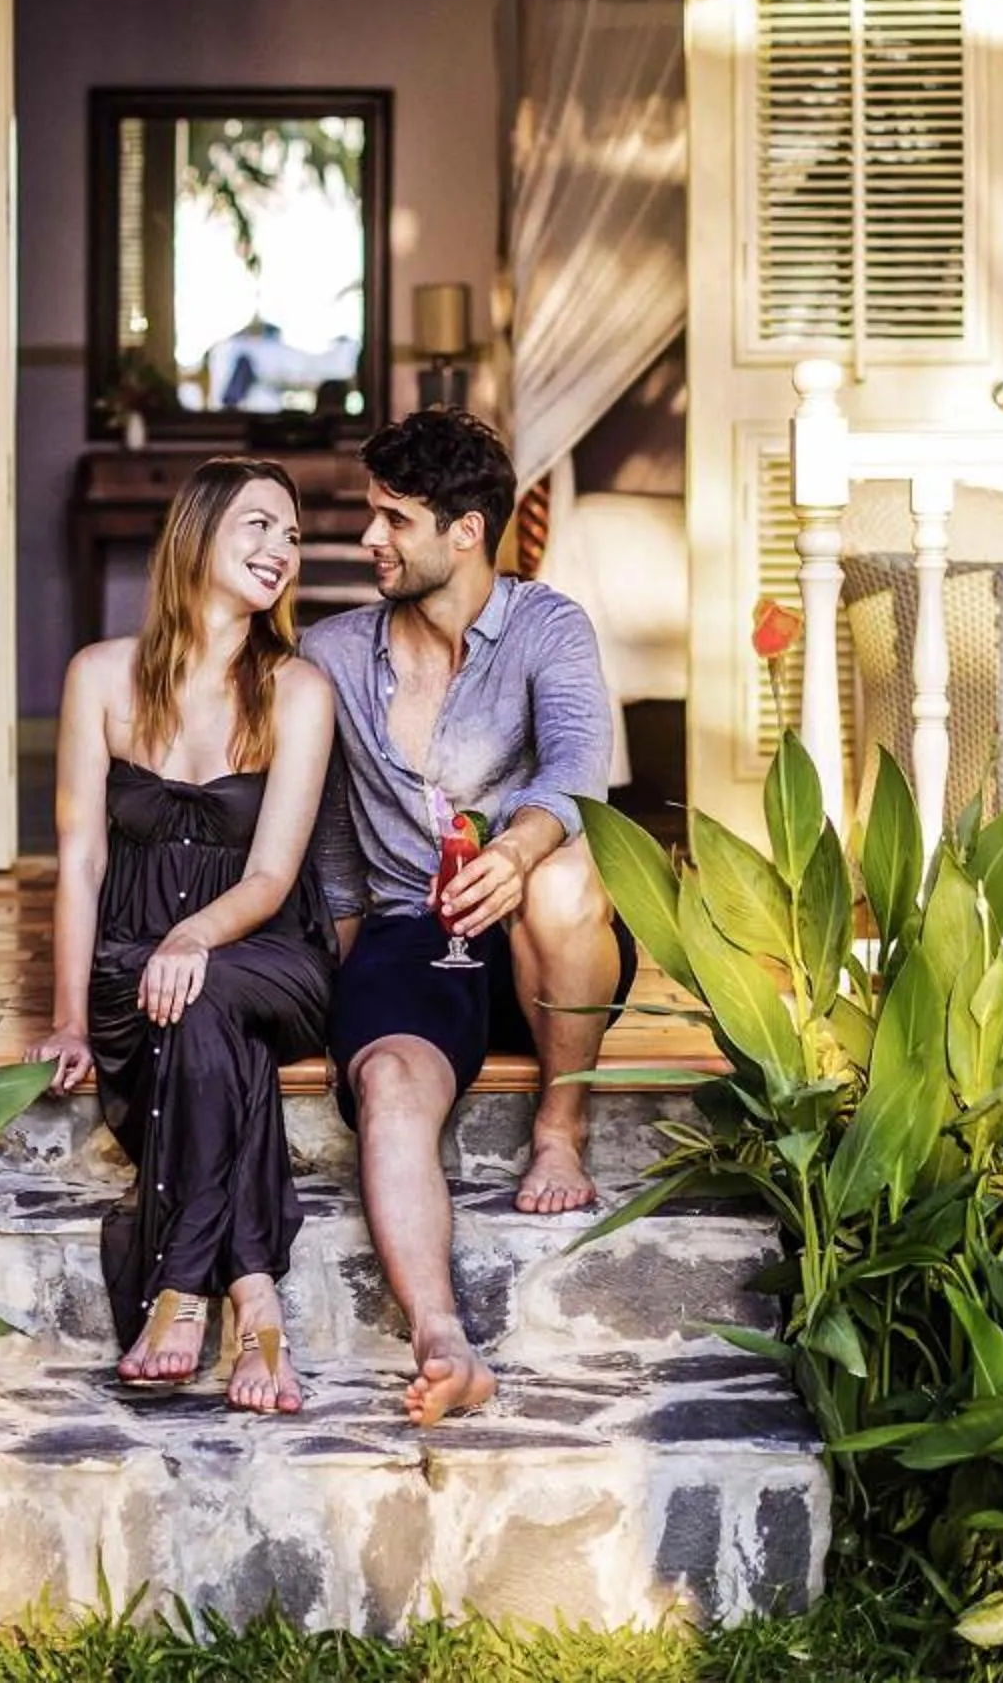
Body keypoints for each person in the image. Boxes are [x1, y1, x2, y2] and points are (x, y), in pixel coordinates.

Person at [301, 409, 632, 1426]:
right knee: (391, 1081)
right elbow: (328, 837)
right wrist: (346, 977)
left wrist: (517, 849)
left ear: (466, 531)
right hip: (413, 931)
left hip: (539, 934)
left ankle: (560, 1130)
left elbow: (580, 769)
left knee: (566, 878)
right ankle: (444, 1339)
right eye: (372, 516)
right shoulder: (331, 654)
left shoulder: (548, 626)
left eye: (393, 520)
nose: (369, 541)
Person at [31, 459, 339, 1415]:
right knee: (202, 1029)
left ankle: (176, 1290)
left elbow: (273, 876)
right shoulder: (99, 675)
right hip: (135, 955)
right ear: (196, 534)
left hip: (268, 952)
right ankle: (254, 1296)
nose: (279, 551)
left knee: (204, 997)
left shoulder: (299, 690)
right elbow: (80, 857)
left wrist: (194, 938)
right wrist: (71, 1019)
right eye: (257, 526)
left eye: (290, 535)